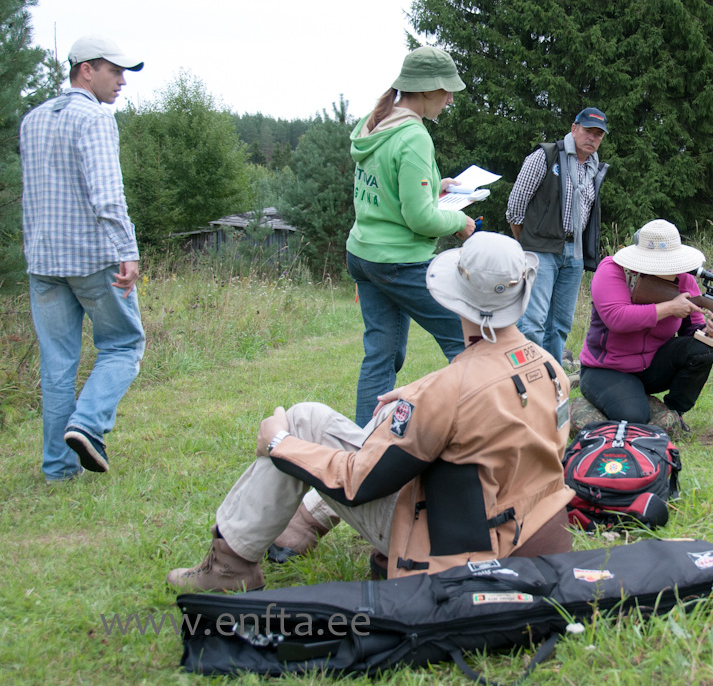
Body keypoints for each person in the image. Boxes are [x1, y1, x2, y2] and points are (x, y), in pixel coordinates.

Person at [167, 232, 574, 591]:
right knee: (314, 418)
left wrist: (279, 443)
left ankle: (228, 566)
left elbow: (359, 483)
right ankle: (297, 528)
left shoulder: (445, 393)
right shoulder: (550, 367)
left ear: (457, 298)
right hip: (529, 531)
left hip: (457, 548)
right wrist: (419, 393)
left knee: (300, 423)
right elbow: (491, 401)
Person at [19, 35, 146, 482]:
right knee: (124, 345)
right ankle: (87, 424)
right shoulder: (95, 119)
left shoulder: (32, 120)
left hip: (43, 261)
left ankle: (57, 468)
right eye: (115, 71)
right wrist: (127, 250)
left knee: (57, 364)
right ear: (85, 70)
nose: (122, 82)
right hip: (94, 258)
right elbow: (107, 194)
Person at [346, 46, 477, 428]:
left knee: (381, 355)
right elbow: (419, 218)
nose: (450, 99)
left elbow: (389, 189)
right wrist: (458, 221)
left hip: (363, 254)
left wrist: (437, 185)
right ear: (426, 89)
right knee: (468, 341)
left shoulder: (374, 124)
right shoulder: (415, 136)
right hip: (398, 260)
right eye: (447, 91)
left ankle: (361, 444)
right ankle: (477, 432)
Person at [578, 219, 713, 430]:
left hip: (652, 366)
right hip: (606, 369)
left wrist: (709, 332)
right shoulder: (612, 269)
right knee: (634, 417)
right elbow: (617, 318)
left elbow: (692, 332)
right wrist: (670, 308)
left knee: (703, 350)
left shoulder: (685, 279)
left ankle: (674, 414)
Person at [506, 107, 610, 364]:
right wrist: (528, 244)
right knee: (532, 322)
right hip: (540, 250)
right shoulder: (545, 156)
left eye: (598, 134)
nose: (592, 138)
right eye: (588, 131)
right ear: (574, 128)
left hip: (573, 254)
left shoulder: (594, 168)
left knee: (561, 324)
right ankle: (524, 375)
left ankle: (550, 378)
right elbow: (515, 207)